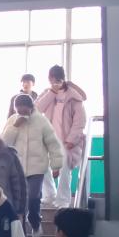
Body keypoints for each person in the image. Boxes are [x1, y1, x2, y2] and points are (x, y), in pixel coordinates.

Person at [2, 94, 65, 237]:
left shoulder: (41, 121)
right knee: (18, 202)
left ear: (31, 108)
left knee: (33, 198)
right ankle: (20, 231)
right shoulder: (12, 121)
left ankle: (35, 223)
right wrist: (15, 126)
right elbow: (4, 144)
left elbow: (53, 143)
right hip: (17, 169)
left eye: (24, 111)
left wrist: (56, 165)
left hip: (37, 168)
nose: (22, 113)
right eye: (19, 111)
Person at [36, 65, 87, 209]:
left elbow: (79, 121)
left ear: (62, 78)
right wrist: (52, 92)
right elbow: (37, 109)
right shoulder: (47, 93)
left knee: (64, 169)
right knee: (42, 164)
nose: (53, 82)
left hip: (66, 141)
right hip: (48, 139)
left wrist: (71, 140)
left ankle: (63, 199)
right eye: (52, 79)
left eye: (56, 79)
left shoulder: (73, 96)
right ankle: (49, 195)